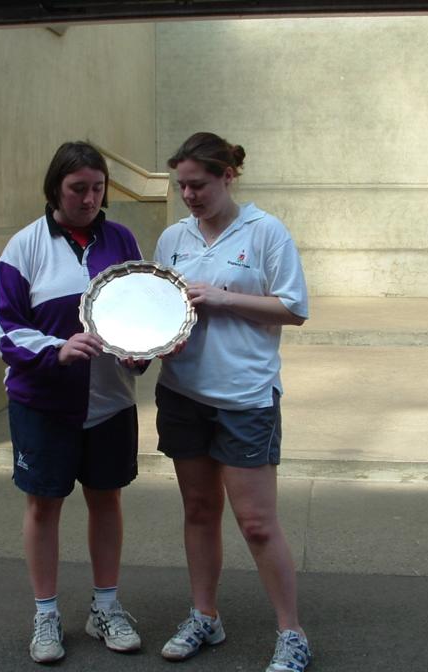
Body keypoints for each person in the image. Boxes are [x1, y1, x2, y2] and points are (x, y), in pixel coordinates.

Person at [153, 132, 312, 672]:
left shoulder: (265, 232)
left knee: (257, 523)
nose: (189, 195)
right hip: (182, 394)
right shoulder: (172, 238)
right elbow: (160, 312)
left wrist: (221, 298)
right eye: (181, 186)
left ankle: (292, 633)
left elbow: (293, 309)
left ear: (228, 176)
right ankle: (205, 615)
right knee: (198, 510)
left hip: (245, 398)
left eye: (199, 184)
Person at [0, 141, 144, 664]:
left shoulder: (122, 240)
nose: (89, 199)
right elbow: (5, 330)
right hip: (43, 405)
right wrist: (57, 349)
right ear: (56, 187)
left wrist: (139, 353)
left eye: (98, 189)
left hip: (109, 403)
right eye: (78, 189)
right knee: (44, 505)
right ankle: (46, 615)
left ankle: (105, 607)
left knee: (107, 499)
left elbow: (143, 311)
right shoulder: (23, 248)